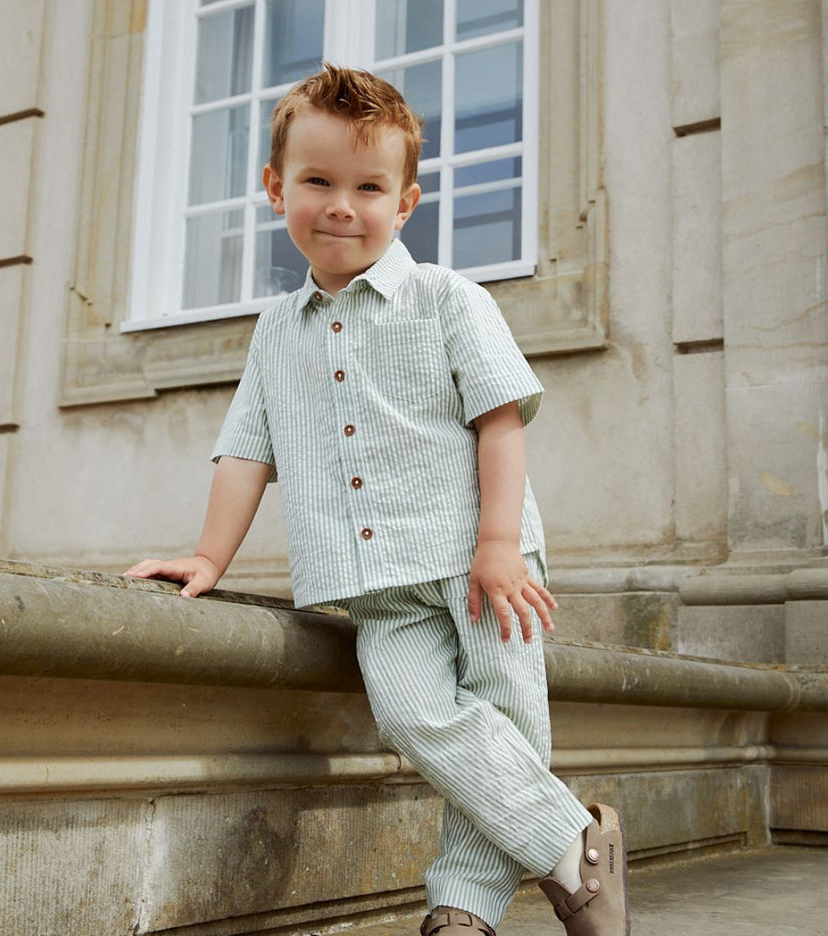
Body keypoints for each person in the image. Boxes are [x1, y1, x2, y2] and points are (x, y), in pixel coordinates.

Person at [125, 64, 629, 936]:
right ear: (277, 188)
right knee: (413, 713)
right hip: (374, 581)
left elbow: (500, 421)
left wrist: (501, 540)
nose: (341, 206)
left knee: (506, 725)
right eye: (318, 182)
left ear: (405, 203)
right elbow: (247, 449)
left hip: (483, 560)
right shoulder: (276, 333)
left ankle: (463, 912)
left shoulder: (447, 300)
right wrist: (209, 556)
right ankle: (572, 846)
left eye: (369, 187)